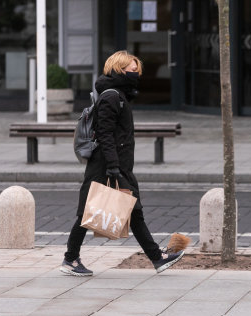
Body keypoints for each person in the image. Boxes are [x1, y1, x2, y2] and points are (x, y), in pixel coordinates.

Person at [60, 50, 184, 276]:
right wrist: (113, 167)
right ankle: (70, 259)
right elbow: (105, 133)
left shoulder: (119, 95)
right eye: (132, 70)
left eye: (138, 71)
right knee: (88, 211)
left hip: (118, 164)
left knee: (134, 211)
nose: (136, 74)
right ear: (119, 69)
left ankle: (157, 258)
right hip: (106, 165)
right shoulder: (111, 96)